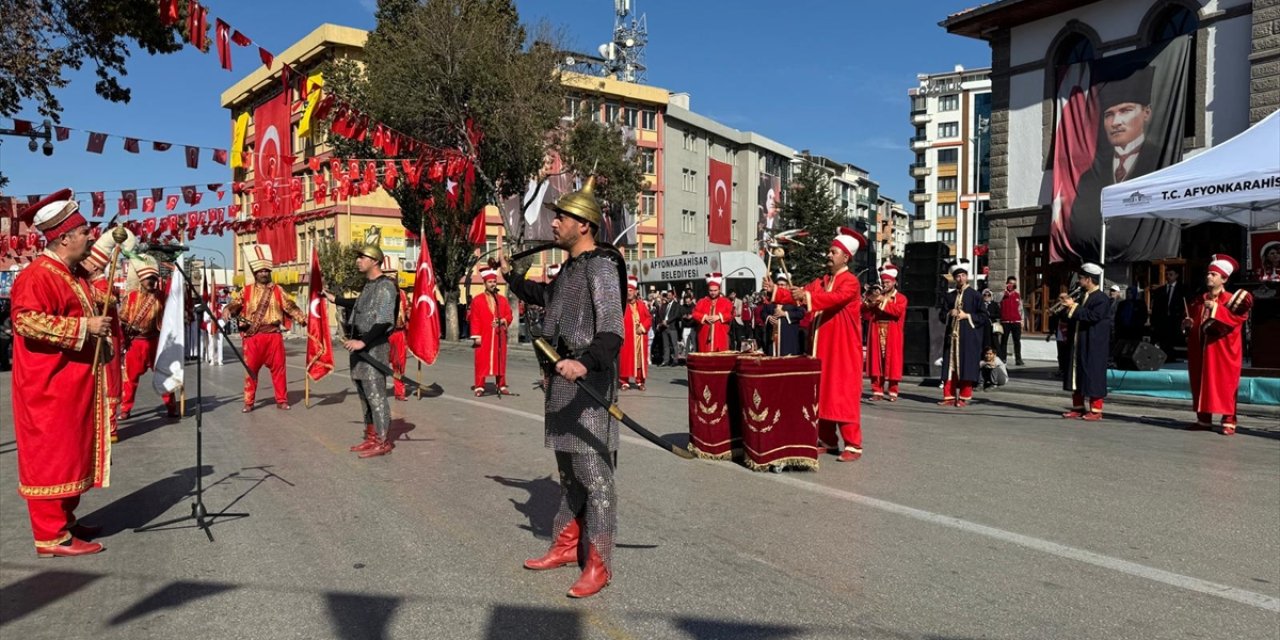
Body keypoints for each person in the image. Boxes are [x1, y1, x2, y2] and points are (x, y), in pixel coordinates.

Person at [503, 175, 625, 599]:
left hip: (588, 387)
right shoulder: (571, 269)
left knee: (595, 477)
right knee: (569, 474)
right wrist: (512, 278)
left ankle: (601, 562)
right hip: (561, 385)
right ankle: (566, 544)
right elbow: (546, 297)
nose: (554, 224)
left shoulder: (602, 268)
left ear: (584, 225)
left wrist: (583, 362)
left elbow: (612, 333)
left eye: (562, 217)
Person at [10, 189, 111, 557]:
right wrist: (86, 326)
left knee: (71, 452)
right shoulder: (39, 275)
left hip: (71, 382)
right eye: (84, 231)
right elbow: (26, 322)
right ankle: (50, 536)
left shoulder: (71, 274)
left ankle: (65, 519)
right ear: (65, 237)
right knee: (51, 455)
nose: (90, 236)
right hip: (47, 386)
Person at [786, 227, 866, 462]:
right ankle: (828, 439)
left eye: (833, 252)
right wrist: (778, 292)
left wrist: (805, 296)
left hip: (842, 348)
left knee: (842, 393)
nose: (828, 256)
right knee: (822, 392)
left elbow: (833, 299)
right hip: (821, 346)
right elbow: (802, 294)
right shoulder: (822, 281)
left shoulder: (850, 282)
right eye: (829, 252)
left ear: (845, 256)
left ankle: (853, 444)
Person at [325, 245, 399, 457]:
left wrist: (363, 343)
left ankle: (383, 440)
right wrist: (334, 299)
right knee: (364, 394)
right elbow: (358, 304)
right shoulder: (369, 285)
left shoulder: (386, 286)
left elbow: (384, 321)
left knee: (376, 394)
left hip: (373, 347)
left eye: (362, 257)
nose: (358, 260)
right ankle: (371, 436)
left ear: (374, 261)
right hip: (359, 346)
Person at [225, 244, 306, 412]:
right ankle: (248, 402)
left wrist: (304, 319)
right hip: (253, 337)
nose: (264, 273)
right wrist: (227, 309)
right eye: (260, 271)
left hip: (273, 336)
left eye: (266, 271)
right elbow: (234, 304)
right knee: (251, 371)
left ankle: (282, 400)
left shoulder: (278, 290)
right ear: (255, 273)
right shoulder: (246, 291)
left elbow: (290, 306)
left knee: (279, 370)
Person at [1185, 255, 1252, 435]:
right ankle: (1204, 419)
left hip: (1223, 350)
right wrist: (1188, 324)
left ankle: (1229, 420)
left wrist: (1216, 308)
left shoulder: (1231, 300)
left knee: (1225, 384)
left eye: (1214, 274)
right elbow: (1194, 320)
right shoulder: (1199, 299)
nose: (1209, 277)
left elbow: (1237, 318)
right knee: (1201, 382)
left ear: (1224, 279)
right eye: (1209, 273)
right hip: (1201, 349)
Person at [81, 228, 134, 440]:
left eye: (87, 262)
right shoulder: (90, 282)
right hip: (92, 339)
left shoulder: (103, 283)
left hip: (107, 340)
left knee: (109, 383)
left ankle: (110, 427)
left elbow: (109, 300)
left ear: (95, 265)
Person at [118, 255, 178, 420]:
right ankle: (125, 408)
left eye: (154, 278)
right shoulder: (130, 297)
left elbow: (172, 314)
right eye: (148, 278)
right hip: (135, 344)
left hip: (155, 342)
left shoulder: (161, 297)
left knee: (164, 375)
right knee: (130, 379)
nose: (151, 281)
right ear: (140, 279)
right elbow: (122, 319)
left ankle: (171, 406)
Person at [1061, 263, 1112, 421]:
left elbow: (1093, 316)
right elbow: (1074, 315)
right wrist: (1065, 307)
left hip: (1093, 344)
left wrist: (1073, 307)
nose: (1079, 281)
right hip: (1078, 342)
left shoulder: (1101, 298)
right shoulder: (1081, 295)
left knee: (1093, 375)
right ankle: (1078, 407)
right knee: (1077, 374)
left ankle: (1096, 410)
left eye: (1081, 278)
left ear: (1089, 279)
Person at [938, 261, 988, 407]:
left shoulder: (976, 295)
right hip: (952, 338)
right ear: (954, 279)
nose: (960, 279)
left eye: (963, 275)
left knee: (966, 365)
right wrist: (949, 313)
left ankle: (965, 397)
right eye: (957, 276)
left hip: (968, 337)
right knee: (949, 367)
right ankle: (949, 396)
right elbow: (941, 315)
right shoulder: (950, 296)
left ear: (967, 277)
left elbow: (984, 317)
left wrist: (967, 316)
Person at [863, 264, 908, 401]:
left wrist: (882, 301)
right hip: (877, 330)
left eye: (887, 282)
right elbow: (866, 313)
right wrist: (869, 301)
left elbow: (897, 311)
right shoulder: (878, 295)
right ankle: (877, 391)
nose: (885, 285)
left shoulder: (901, 298)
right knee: (876, 360)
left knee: (893, 361)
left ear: (894, 282)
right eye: (883, 282)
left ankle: (893, 390)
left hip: (892, 332)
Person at [468, 267, 513, 396]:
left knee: (500, 360)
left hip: (499, 336)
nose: (493, 284)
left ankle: (501, 385)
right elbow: (474, 319)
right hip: (484, 335)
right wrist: (476, 336)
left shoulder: (502, 300)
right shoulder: (477, 300)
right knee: (481, 360)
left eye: (494, 282)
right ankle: (479, 386)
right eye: (490, 282)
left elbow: (509, 315)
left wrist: (503, 320)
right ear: (485, 283)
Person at [760, 272, 805, 357]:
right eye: (778, 285)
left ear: (788, 286)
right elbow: (763, 313)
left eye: (782, 285)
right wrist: (768, 318)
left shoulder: (794, 299)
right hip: (772, 338)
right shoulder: (770, 299)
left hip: (788, 336)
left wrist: (785, 314)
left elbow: (801, 313)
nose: (780, 287)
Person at [384, 261, 411, 401]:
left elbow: (408, 311)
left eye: (393, 278)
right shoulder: (379, 295)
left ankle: (399, 392)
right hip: (383, 335)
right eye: (388, 279)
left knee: (399, 364)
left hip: (400, 333)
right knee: (381, 363)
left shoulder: (403, 294)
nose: (391, 281)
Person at [619, 275, 651, 390]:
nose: (629, 293)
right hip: (627, 338)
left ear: (635, 292)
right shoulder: (622, 306)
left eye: (631, 291)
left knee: (640, 361)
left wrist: (642, 327)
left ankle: (640, 381)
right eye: (627, 291)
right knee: (625, 359)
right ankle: (624, 381)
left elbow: (649, 318)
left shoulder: (641, 305)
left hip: (640, 338)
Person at [1150, 267, 1187, 363]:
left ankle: (1172, 360)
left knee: (1173, 344)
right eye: (1167, 274)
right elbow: (1155, 309)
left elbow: (1185, 306)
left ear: (1176, 276)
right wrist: (1153, 323)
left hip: (1175, 322)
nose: (1168, 277)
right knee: (1163, 344)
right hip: (1162, 322)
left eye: (1171, 274)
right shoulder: (1160, 291)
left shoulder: (1182, 290)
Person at [692, 273, 733, 352]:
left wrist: (719, 316)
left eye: (715, 290)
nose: (713, 293)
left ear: (719, 290)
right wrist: (705, 317)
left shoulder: (726, 302)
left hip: (720, 337)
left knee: (720, 360)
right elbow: (694, 313)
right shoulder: (701, 302)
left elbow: (731, 314)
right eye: (711, 290)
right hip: (704, 338)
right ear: (708, 290)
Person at [1046, 291, 1073, 379]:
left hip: (1068, 332)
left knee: (1067, 352)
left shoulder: (1069, 307)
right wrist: (1050, 333)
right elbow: (1053, 322)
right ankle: (1061, 369)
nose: (1060, 299)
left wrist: (1058, 310)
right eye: (1059, 297)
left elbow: (1067, 318)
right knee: (1060, 353)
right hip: (1059, 332)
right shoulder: (1057, 308)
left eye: (1062, 298)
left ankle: (1067, 370)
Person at [999, 276, 1024, 365]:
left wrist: (1022, 320)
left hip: (1016, 321)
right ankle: (1003, 358)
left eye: (1013, 283)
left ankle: (1018, 359)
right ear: (1007, 283)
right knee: (1004, 341)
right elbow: (997, 300)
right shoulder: (1002, 294)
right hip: (1005, 322)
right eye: (1010, 283)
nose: (1012, 285)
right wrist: (1004, 292)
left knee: (1017, 341)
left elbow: (1020, 309)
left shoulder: (1017, 295)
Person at [657, 290, 682, 366]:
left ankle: (675, 360)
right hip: (664, 328)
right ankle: (666, 360)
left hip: (672, 327)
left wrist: (667, 321)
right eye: (667, 295)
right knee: (666, 345)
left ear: (673, 296)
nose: (668, 297)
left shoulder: (676, 305)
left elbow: (676, 315)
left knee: (674, 345)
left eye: (670, 295)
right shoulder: (665, 305)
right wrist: (661, 322)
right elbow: (661, 315)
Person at [981, 289, 1001, 354]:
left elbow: (999, 314)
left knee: (994, 342)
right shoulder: (980, 304)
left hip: (992, 326)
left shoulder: (994, 304)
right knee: (984, 341)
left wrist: (990, 315)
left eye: (989, 295)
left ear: (991, 296)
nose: (987, 296)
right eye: (985, 295)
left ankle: (997, 356)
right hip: (983, 326)